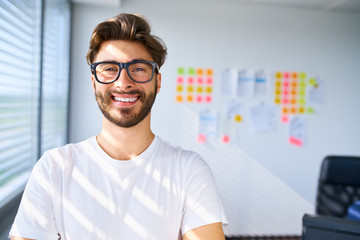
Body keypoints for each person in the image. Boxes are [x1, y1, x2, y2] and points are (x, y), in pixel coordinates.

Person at [10, 13, 227, 240]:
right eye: (110, 69)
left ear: (158, 82)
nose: (123, 82)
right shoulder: (54, 168)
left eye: (139, 69)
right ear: (94, 82)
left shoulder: (189, 170)